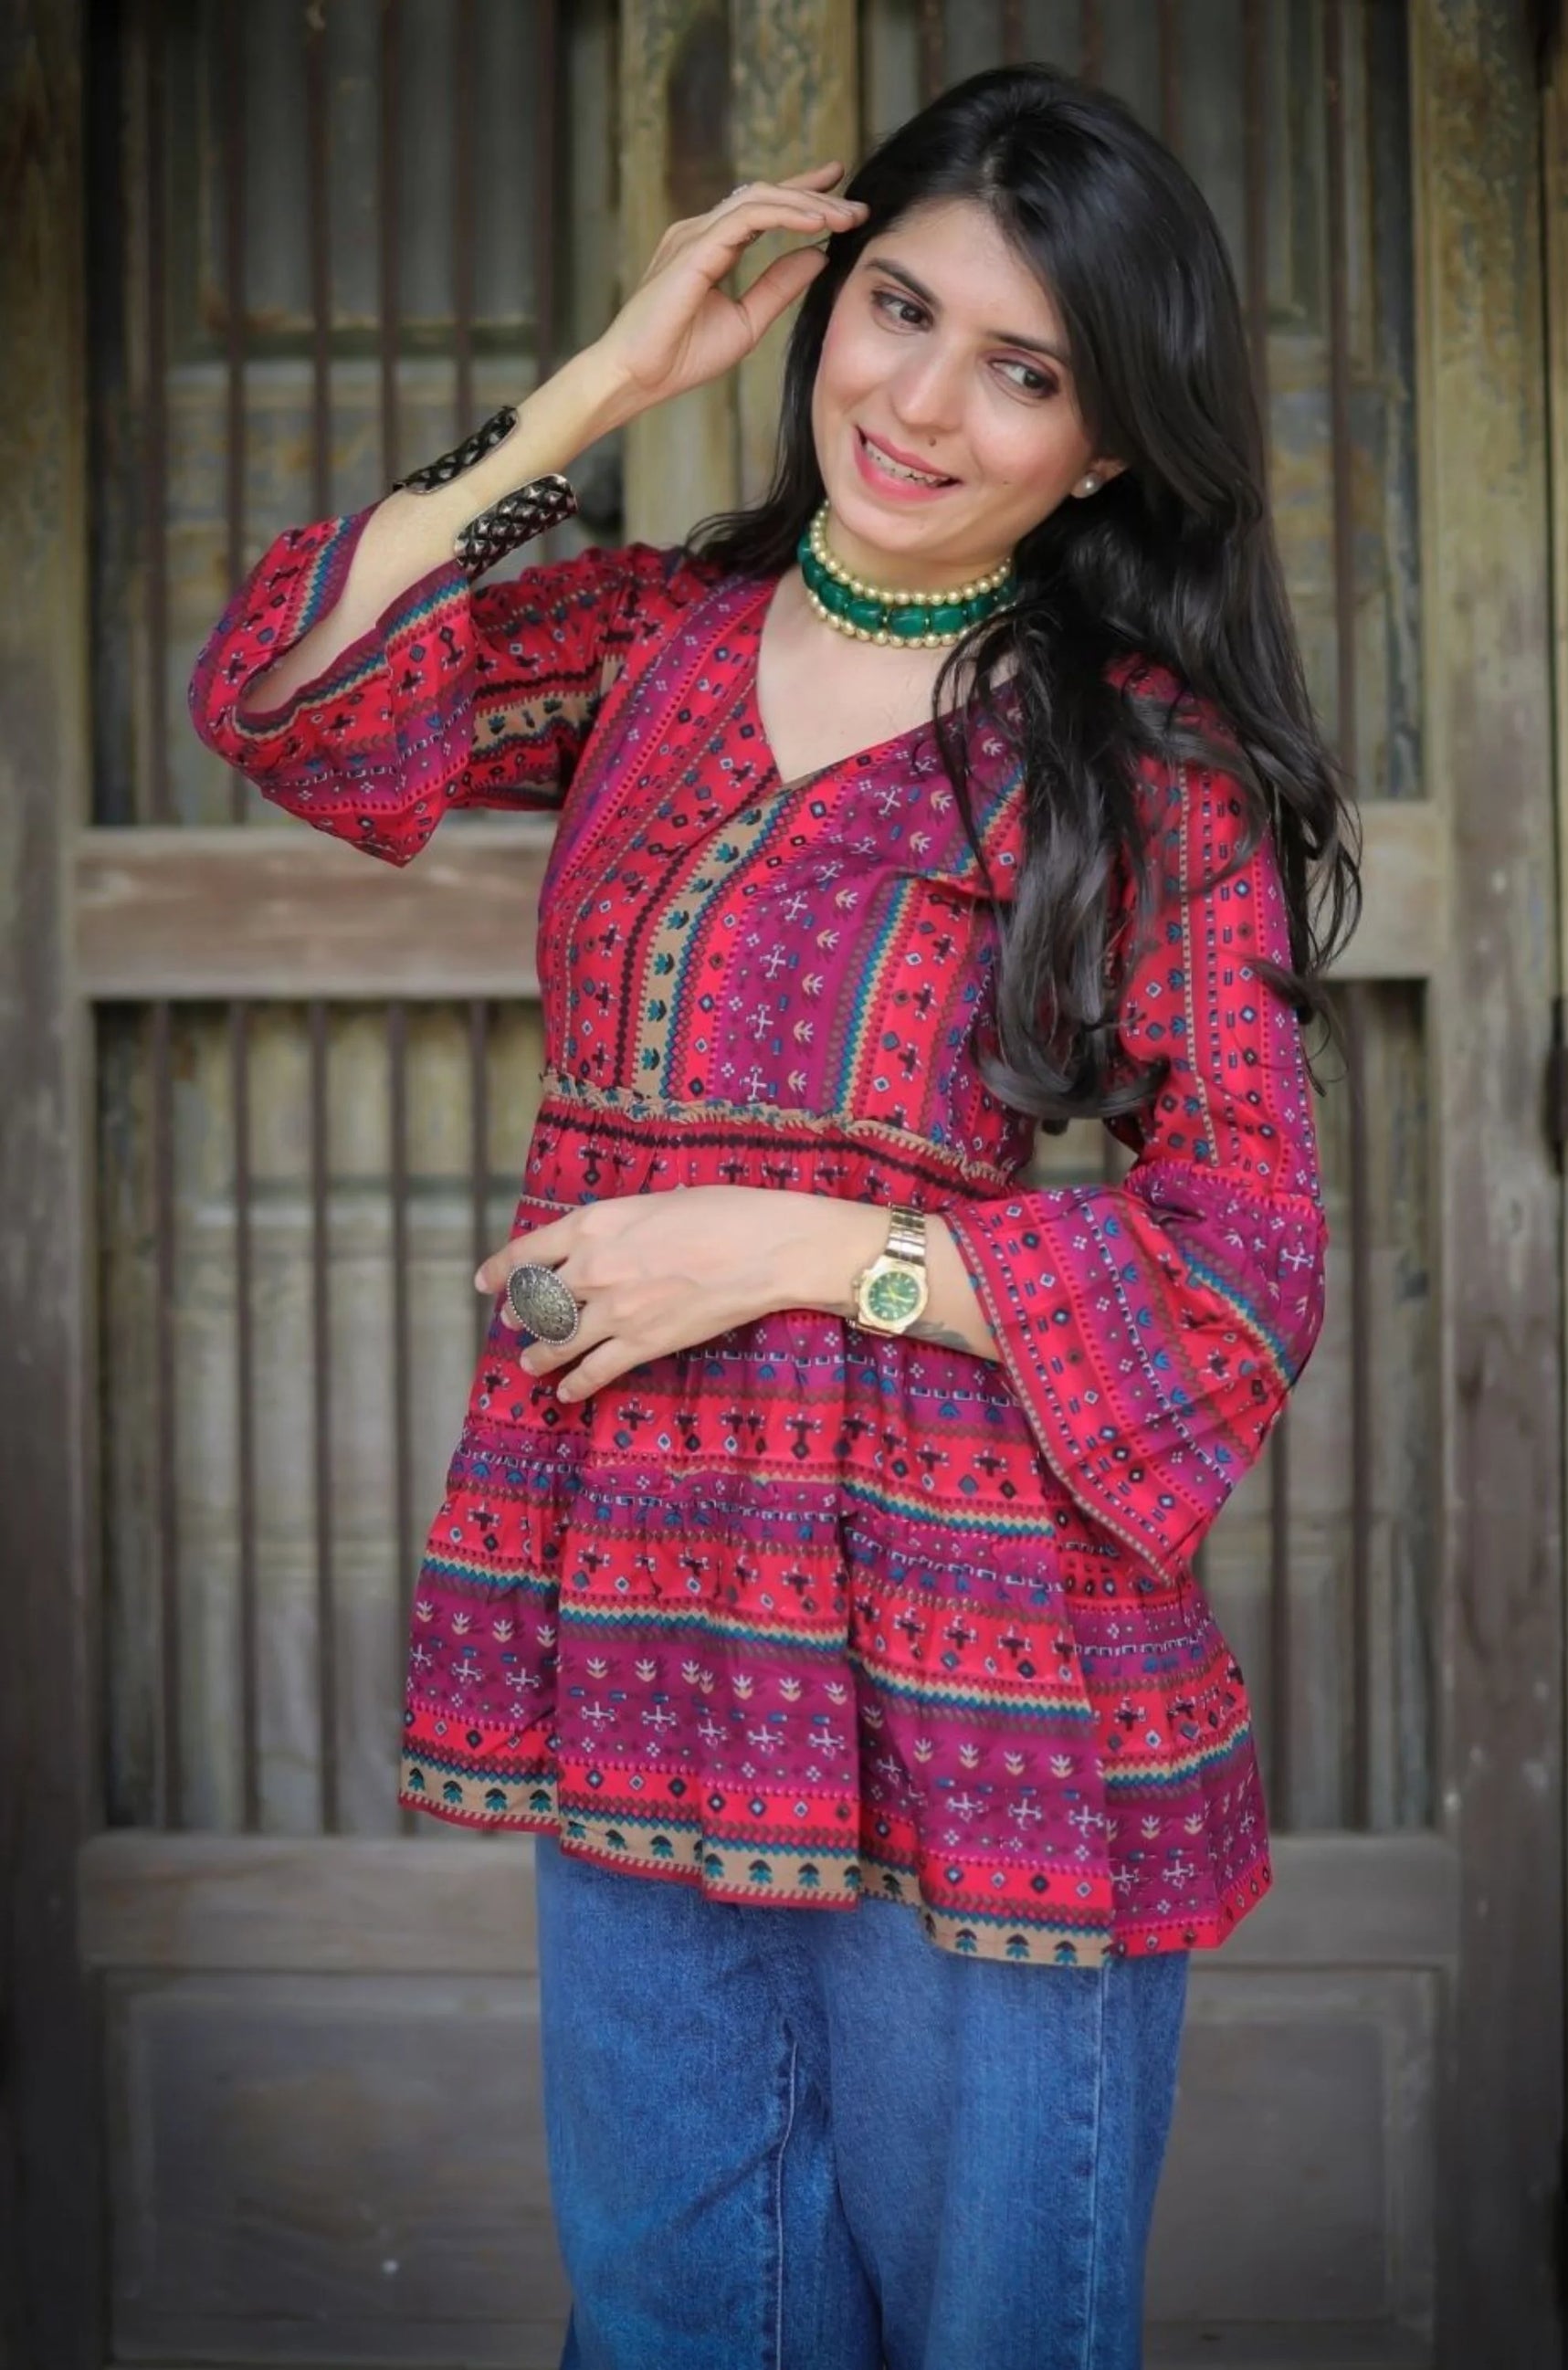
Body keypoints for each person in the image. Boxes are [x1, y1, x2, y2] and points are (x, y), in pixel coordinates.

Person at [188, 60, 1356, 2370]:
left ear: (1104, 445)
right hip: (642, 1621)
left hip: (978, 1671)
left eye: (1021, 370)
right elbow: (288, 694)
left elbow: (1248, 1249)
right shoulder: (645, 639)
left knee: (988, 2330)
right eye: (896, 309)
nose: (917, 402)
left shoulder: (1138, 762)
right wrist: (594, 392)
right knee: (673, 2324)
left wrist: (811, 1250)